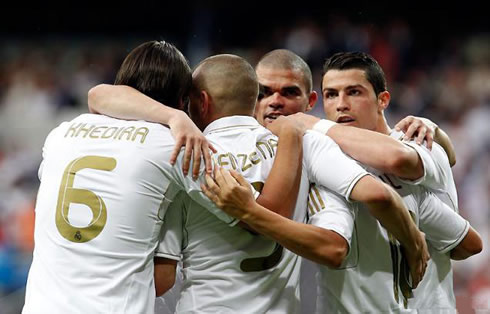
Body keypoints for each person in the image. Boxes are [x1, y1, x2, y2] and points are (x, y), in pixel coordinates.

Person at [88, 53, 429, 312]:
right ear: (254, 98)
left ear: (200, 102)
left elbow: (162, 277)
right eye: (267, 91)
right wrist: (414, 243)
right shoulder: (307, 144)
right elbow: (376, 195)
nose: (276, 101)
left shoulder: (183, 154)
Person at [22, 40, 237, 314]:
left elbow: (98, 96)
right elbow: (242, 207)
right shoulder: (174, 144)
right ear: (183, 100)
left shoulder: (62, 133)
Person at [289, 51, 483, 311]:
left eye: (354, 92)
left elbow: (397, 160)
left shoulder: (420, 141)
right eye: (331, 94)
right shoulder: (326, 159)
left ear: (383, 100)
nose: (341, 104)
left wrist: (316, 125)